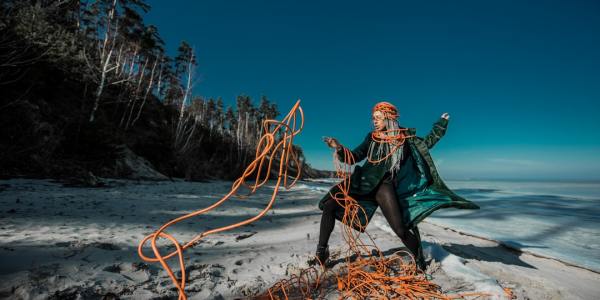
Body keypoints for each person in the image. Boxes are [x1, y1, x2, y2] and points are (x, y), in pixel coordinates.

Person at [315, 101, 479, 271]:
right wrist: (339, 147)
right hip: (362, 183)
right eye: (373, 118)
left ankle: (419, 259)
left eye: (378, 118)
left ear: (389, 117)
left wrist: (440, 125)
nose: (375, 121)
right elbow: (354, 157)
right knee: (329, 206)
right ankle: (321, 254)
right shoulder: (371, 137)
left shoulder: (404, 138)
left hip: (384, 187)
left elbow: (427, 143)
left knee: (400, 229)